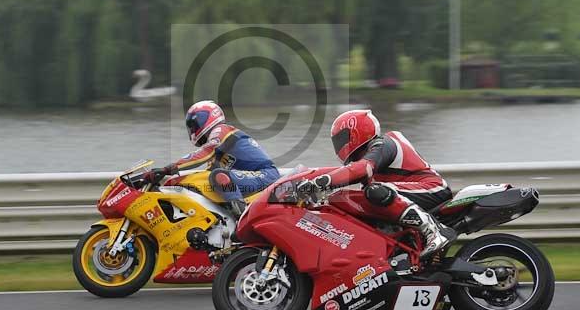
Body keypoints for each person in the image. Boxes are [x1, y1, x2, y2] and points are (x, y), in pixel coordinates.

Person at [298, 109, 456, 258]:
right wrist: (304, 181)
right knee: (351, 201)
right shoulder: (364, 159)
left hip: (431, 189)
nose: (339, 144)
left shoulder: (383, 144)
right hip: (405, 196)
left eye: (342, 138)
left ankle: (435, 232)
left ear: (356, 132)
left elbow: (360, 169)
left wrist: (321, 182)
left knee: (374, 191)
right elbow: (346, 171)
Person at [144, 100, 280, 216]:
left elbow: (204, 153)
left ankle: (242, 217)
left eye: (195, 124)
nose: (193, 129)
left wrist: (168, 169)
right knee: (207, 180)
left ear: (208, 118)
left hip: (266, 175)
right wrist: (173, 183)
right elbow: (205, 174)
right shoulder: (218, 148)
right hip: (253, 177)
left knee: (218, 176)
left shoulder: (221, 130)